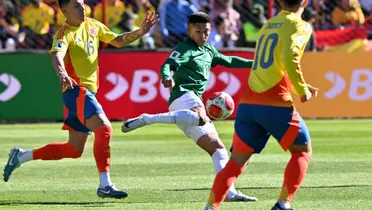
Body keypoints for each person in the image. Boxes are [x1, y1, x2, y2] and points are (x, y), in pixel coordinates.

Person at [3, 0, 158, 199]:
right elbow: (57, 55)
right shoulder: (64, 33)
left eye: (82, 4)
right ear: (64, 11)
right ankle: (105, 185)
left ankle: (21, 156)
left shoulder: (93, 24)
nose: (82, 8)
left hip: (87, 93)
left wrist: (140, 32)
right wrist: (61, 73)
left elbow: (117, 41)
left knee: (74, 149)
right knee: (104, 129)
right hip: (77, 89)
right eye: (76, 5)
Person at [122, 12, 257, 202]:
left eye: (206, 31)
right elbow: (168, 64)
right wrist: (167, 76)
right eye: (198, 31)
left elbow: (229, 61)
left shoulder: (209, 50)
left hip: (192, 104)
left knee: (218, 149)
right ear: (189, 30)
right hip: (183, 96)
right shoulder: (185, 48)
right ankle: (148, 118)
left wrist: (256, 64)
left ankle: (228, 192)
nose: (202, 35)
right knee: (201, 116)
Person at [204, 0, 319, 209]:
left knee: (236, 162)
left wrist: (299, 85)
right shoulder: (300, 25)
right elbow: (289, 58)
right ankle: (283, 205)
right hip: (274, 102)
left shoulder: (269, 24)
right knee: (302, 151)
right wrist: (301, 90)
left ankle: (211, 207)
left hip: (249, 103)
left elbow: (271, 65)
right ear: (304, 2)